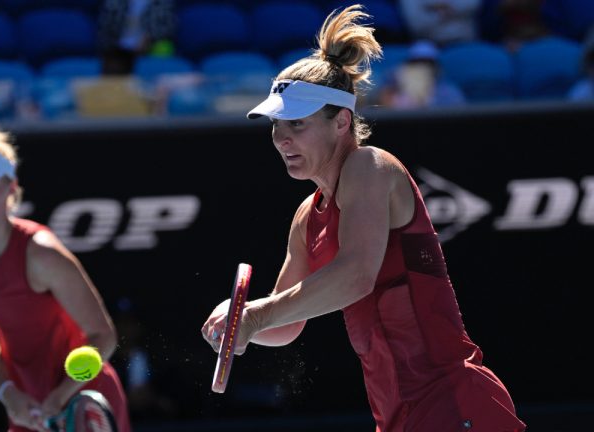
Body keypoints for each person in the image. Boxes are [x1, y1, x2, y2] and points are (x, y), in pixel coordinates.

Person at [201, 5, 526, 431]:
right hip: (398, 416)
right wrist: (239, 319)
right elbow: (288, 325)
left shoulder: (370, 166)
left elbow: (356, 275)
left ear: (341, 122)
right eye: (276, 125)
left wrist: (257, 315)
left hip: (452, 402)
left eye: (297, 124)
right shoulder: (306, 217)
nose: (281, 138)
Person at [0, 118, 131, 432]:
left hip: (82, 391)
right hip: (24, 398)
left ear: (11, 189)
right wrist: (9, 394)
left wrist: (62, 395)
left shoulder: (42, 253)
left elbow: (102, 336)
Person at [378, 39, 466, 109]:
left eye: (427, 63)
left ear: (436, 66)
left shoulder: (449, 92)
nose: (422, 68)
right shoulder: (393, 89)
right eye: (417, 63)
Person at [97, 0, 176, 75]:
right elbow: (107, 25)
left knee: (163, 48)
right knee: (113, 63)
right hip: (119, 46)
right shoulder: (115, 2)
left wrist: (149, 38)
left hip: (150, 45)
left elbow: (167, 25)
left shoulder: (161, 2)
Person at [398, 0, 481, 46]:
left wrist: (434, 9)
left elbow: (473, 5)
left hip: (466, 42)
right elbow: (417, 25)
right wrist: (442, 14)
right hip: (429, 47)